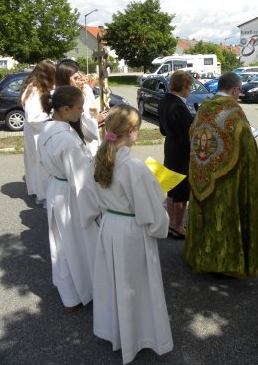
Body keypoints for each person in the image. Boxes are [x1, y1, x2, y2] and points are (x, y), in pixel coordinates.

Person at [80, 105, 173, 364]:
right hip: (132, 233)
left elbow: (88, 198)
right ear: (131, 131)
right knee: (135, 286)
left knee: (114, 282)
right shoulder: (134, 167)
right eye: (138, 130)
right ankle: (137, 336)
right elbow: (150, 212)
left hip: (109, 227)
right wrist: (160, 206)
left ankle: (116, 331)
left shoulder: (97, 159)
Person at [185, 72, 258, 277]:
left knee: (206, 216)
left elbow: (193, 134)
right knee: (224, 217)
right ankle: (226, 264)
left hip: (202, 174)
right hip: (227, 181)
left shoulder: (204, 107)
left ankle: (200, 257)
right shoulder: (234, 111)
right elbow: (247, 147)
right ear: (235, 90)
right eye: (239, 91)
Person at [37, 86, 97, 312]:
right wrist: (94, 208)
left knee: (61, 244)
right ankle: (82, 291)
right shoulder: (66, 140)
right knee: (76, 244)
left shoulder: (49, 128)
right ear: (64, 109)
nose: (82, 112)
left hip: (58, 189)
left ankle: (69, 294)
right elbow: (80, 179)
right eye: (79, 108)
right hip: (72, 195)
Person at [158, 70, 193, 239]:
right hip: (181, 152)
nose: (190, 90)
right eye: (189, 86)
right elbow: (188, 135)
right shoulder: (179, 106)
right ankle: (178, 226)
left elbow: (163, 130)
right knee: (180, 192)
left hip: (170, 147)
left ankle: (171, 223)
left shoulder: (164, 100)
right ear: (183, 86)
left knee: (170, 188)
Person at [19, 60, 56, 205]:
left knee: (36, 163)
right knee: (41, 164)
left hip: (35, 132)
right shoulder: (34, 90)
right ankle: (44, 195)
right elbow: (33, 117)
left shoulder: (36, 88)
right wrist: (53, 116)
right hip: (37, 132)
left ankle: (40, 192)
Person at [56, 61, 100, 152]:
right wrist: (96, 120)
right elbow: (88, 132)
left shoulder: (79, 93)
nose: (79, 82)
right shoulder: (63, 100)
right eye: (76, 78)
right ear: (65, 78)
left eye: (80, 79)